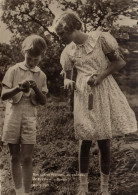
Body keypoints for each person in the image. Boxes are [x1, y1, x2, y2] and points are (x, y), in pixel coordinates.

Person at [53, 11, 137, 195]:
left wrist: (99, 77)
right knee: (84, 138)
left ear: (72, 28)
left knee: (104, 140)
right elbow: (68, 76)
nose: (60, 38)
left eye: (62, 34)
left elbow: (119, 63)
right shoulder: (69, 51)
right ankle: (83, 189)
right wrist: (68, 81)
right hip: (83, 93)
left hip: (102, 89)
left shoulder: (99, 39)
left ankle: (104, 189)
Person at [1, 34, 48, 195]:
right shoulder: (14, 70)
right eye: (29, 59)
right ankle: (19, 191)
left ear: (42, 56)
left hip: (29, 118)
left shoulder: (41, 75)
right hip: (13, 116)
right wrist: (18, 88)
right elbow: (3, 95)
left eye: (36, 59)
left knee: (27, 158)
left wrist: (35, 88)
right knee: (14, 156)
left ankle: (26, 192)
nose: (32, 62)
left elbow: (43, 101)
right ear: (24, 53)